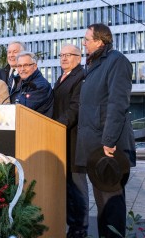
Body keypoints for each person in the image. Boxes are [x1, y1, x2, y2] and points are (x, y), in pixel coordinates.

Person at [76, 23, 136, 237]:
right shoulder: (94, 64)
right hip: (95, 147)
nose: (84, 43)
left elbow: (117, 104)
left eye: (87, 39)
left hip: (108, 148)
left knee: (111, 205)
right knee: (102, 204)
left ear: (100, 41)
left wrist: (109, 141)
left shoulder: (117, 61)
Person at [52, 44, 88, 238]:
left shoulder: (81, 76)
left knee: (77, 187)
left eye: (69, 55)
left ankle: (80, 229)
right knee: (67, 187)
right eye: (62, 55)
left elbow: (75, 108)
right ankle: (71, 225)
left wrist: (56, 127)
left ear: (79, 58)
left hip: (75, 140)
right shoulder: (62, 77)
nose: (64, 58)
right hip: (61, 138)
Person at [13, 51, 53, 117]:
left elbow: (23, 109)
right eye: (19, 66)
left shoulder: (41, 86)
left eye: (26, 65)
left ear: (35, 66)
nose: (22, 69)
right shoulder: (22, 82)